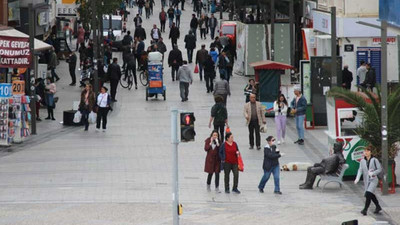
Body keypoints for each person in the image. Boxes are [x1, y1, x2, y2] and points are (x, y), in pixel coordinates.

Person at [354, 146, 382, 215]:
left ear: (371, 152)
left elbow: (379, 169)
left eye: (368, 151)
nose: (366, 152)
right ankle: (378, 206)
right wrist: (357, 178)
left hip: (373, 180)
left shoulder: (375, 160)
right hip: (366, 181)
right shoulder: (362, 161)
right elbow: (360, 170)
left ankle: (365, 209)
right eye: (365, 151)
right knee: (371, 194)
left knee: (368, 194)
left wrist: (373, 173)